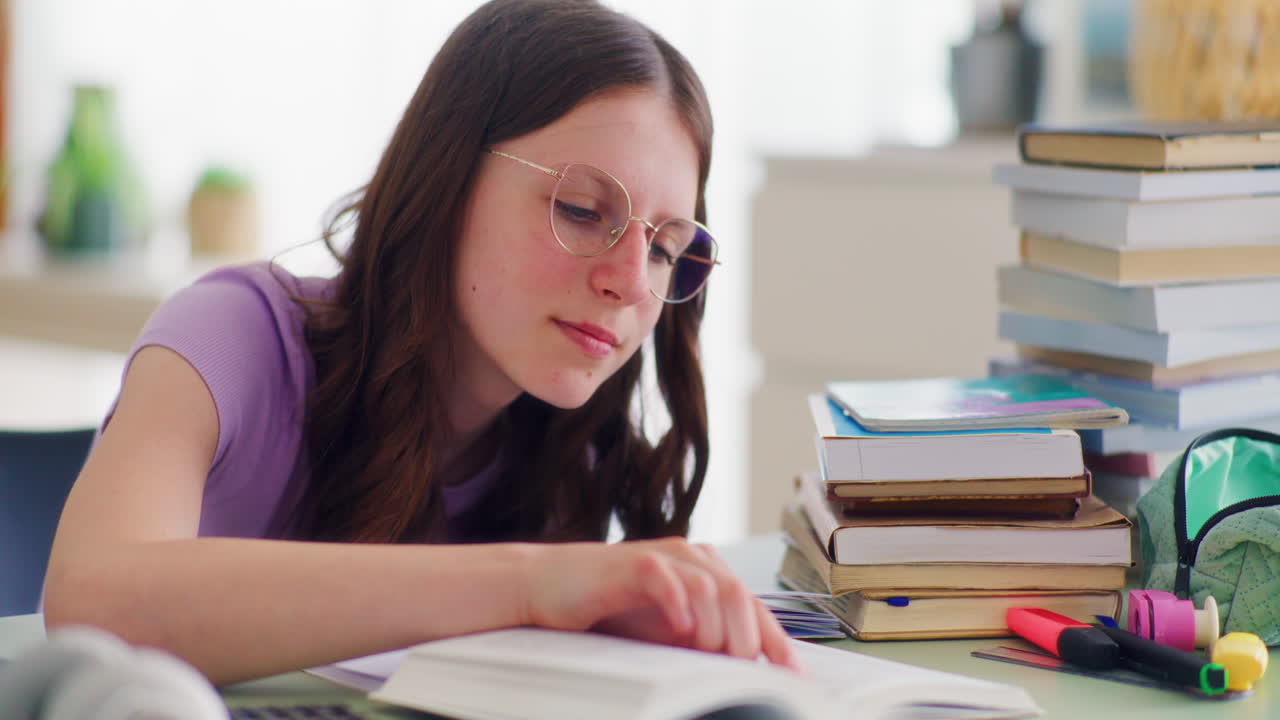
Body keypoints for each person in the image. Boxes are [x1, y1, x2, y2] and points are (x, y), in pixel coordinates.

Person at [43, 0, 799, 685]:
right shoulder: (233, 336)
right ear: (448, 177)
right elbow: (93, 602)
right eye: (578, 209)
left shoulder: (569, 452)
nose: (632, 281)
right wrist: (533, 584)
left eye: (664, 248)